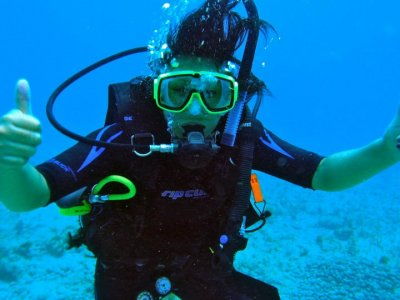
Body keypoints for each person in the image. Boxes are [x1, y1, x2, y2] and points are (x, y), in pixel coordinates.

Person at [1, 1, 399, 299]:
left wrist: (386, 149)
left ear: (234, 98)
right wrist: (8, 165)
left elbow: (323, 174)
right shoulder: (124, 135)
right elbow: (32, 194)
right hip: (124, 279)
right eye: (177, 91)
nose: (195, 109)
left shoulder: (240, 135)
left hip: (207, 273)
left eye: (214, 94)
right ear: (157, 93)